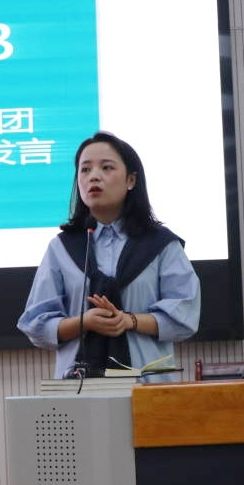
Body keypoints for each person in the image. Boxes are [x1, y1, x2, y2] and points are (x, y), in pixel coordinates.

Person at [17, 131, 200, 381]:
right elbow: (35, 325)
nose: (94, 176)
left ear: (131, 180)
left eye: (106, 167)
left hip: (148, 388)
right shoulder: (61, 248)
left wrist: (129, 321)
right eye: (85, 170)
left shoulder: (161, 244)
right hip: (78, 390)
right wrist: (84, 323)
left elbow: (185, 316)